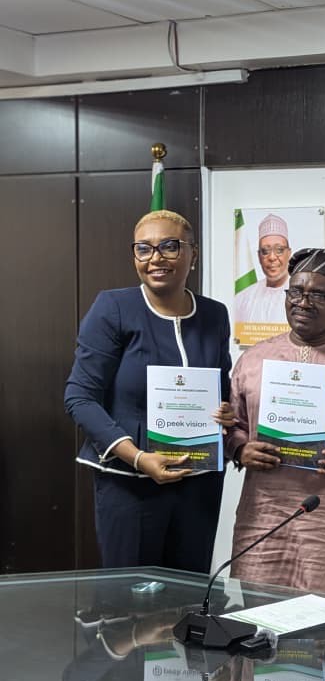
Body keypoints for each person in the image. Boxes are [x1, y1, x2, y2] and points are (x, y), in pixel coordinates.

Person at [65, 210, 233, 572]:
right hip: (130, 482)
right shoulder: (114, 308)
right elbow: (80, 397)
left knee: (189, 590)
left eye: (170, 246)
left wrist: (226, 411)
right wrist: (138, 458)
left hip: (199, 481)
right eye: (144, 248)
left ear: (193, 253)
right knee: (132, 596)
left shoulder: (214, 314)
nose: (156, 258)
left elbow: (223, 388)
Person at [225, 247, 325, 597]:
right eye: (296, 292)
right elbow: (231, 427)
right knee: (259, 616)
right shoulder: (253, 360)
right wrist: (240, 450)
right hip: (264, 515)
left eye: (319, 295)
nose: (303, 302)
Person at [234, 212, 292, 323]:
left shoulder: (302, 298)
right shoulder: (243, 298)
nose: (272, 257)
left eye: (279, 250)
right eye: (265, 251)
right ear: (259, 256)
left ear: (289, 253)